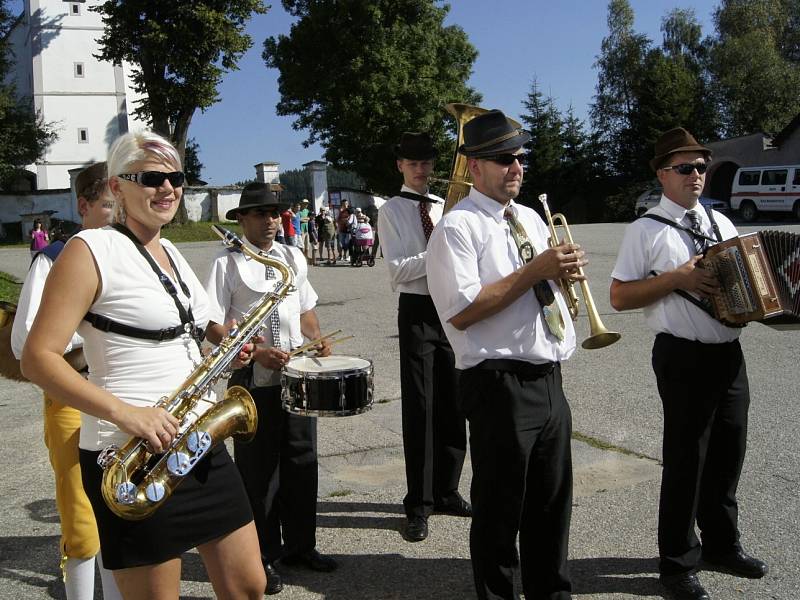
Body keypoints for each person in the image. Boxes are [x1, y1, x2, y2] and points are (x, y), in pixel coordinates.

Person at [20, 131, 266, 600]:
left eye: (175, 178)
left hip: (196, 440)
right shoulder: (89, 249)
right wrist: (126, 413)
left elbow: (198, 320)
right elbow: (37, 359)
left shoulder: (171, 250)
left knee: (249, 585)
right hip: (130, 456)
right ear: (116, 188)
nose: (168, 188)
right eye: (151, 178)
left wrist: (230, 341)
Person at [426, 111, 584, 600]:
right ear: (474, 167)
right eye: (502, 159)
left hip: (549, 377)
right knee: (499, 512)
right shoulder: (456, 228)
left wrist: (562, 276)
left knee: (551, 506)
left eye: (519, 157)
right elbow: (463, 312)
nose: (515, 167)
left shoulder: (531, 218)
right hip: (498, 384)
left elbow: (541, 286)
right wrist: (537, 271)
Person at [610, 127, 768, 600]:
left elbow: (745, 280)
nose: (696, 175)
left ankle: (721, 545)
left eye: (701, 167)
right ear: (662, 175)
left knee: (727, 454)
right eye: (685, 168)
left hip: (729, 353)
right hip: (681, 355)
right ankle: (676, 563)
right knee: (686, 460)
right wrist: (676, 279)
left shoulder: (721, 224)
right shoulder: (646, 230)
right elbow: (618, 296)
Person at [204, 182, 338, 596]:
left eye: (275, 213)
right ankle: (261, 555)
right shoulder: (225, 263)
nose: (270, 221)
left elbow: (306, 309)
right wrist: (254, 350)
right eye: (260, 214)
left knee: (302, 460)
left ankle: (301, 546)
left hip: (296, 374)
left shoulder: (292, 255)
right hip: (251, 379)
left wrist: (316, 341)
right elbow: (211, 324)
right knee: (258, 471)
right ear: (242, 219)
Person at [11, 162, 121, 600]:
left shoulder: (133, 255)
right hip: (74, 396)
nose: (118, 215)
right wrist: (88, 327)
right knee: (80, 514)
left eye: (122, 205)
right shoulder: (53, 259)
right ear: (84, 206)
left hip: (126, 395)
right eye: (110, 205)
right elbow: (24, 343)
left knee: (123, 509)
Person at [378, 132, 469, 544]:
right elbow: (398, 271)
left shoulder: (444, 206)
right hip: (416, 312)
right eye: (413, 162)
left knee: (454, 402)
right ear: (400, 165)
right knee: (421, 406)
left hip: (451, 307)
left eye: (427, 162)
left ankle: (447, 491)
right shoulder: (391, 210)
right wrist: (440, 251)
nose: (422, 169)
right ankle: (418, 503)